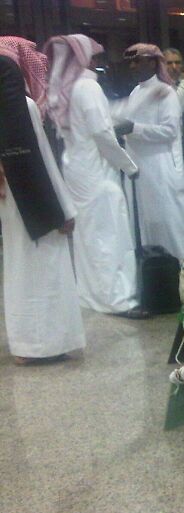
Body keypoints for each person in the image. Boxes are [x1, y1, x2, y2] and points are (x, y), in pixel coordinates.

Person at [45, 34, 146, 319]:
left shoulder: (67, 88)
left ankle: (90, 294)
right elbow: (102, 134)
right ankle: (117, 299)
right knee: (108, 234)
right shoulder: (87, 87)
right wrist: (129, 165)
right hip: (95, 170)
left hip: (76, 169)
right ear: (85, 58)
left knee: (89, 236)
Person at [0, 37, 85, 364]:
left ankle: (25, 344)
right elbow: (42, 162)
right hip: (37, 205)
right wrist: (64, 209)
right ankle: (45, 345)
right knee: (45, 268)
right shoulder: (25, 107)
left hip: (10, 203)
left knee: (20, 268)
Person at [113, 42, 184, 263]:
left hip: (162, 170)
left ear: (151, 62)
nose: (131, 67)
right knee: (146, 227)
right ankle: (157, 281)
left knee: (171, 227)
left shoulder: (165, 93)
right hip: (141, 172)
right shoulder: (135, 93)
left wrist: (134, 129)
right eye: (130, 63)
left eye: (136, 61)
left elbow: (169, 132)